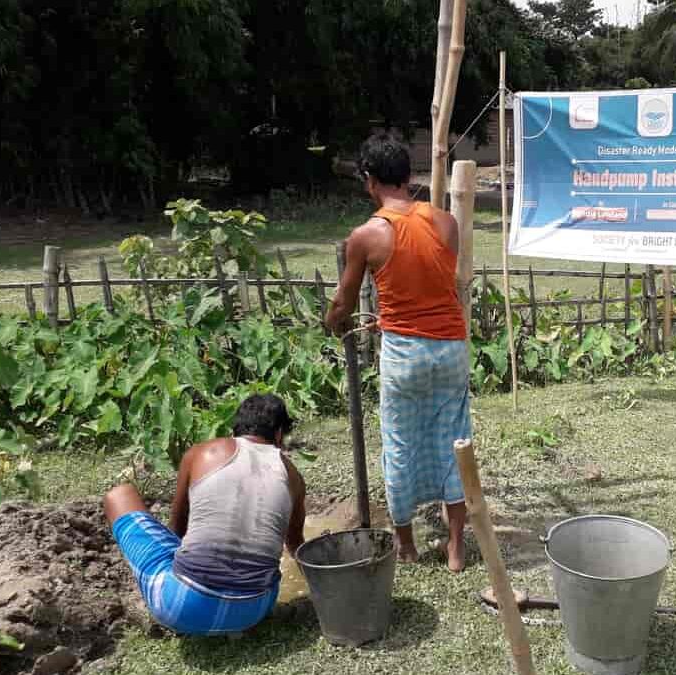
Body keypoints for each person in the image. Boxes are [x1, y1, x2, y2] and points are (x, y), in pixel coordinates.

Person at [325, 135, 469, 573]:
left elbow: (344, 304)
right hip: (450, 350)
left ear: (370, 181)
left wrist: (334, 323)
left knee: (400, 445)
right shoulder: (446, 223)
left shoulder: (366, 236)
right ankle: (456, 549)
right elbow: (433, 283)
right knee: (454, 440)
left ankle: (407, 547)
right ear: (409, 176)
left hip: (405, 354)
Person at [103, 394, 306, 634]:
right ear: (279, 433)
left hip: (181, 607)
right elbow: (295, 546)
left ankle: (183, 600)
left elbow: (177, 527)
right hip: (254, 611)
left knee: (119, 495)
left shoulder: (202, 452)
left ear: (237, 427)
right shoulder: (293, 476)